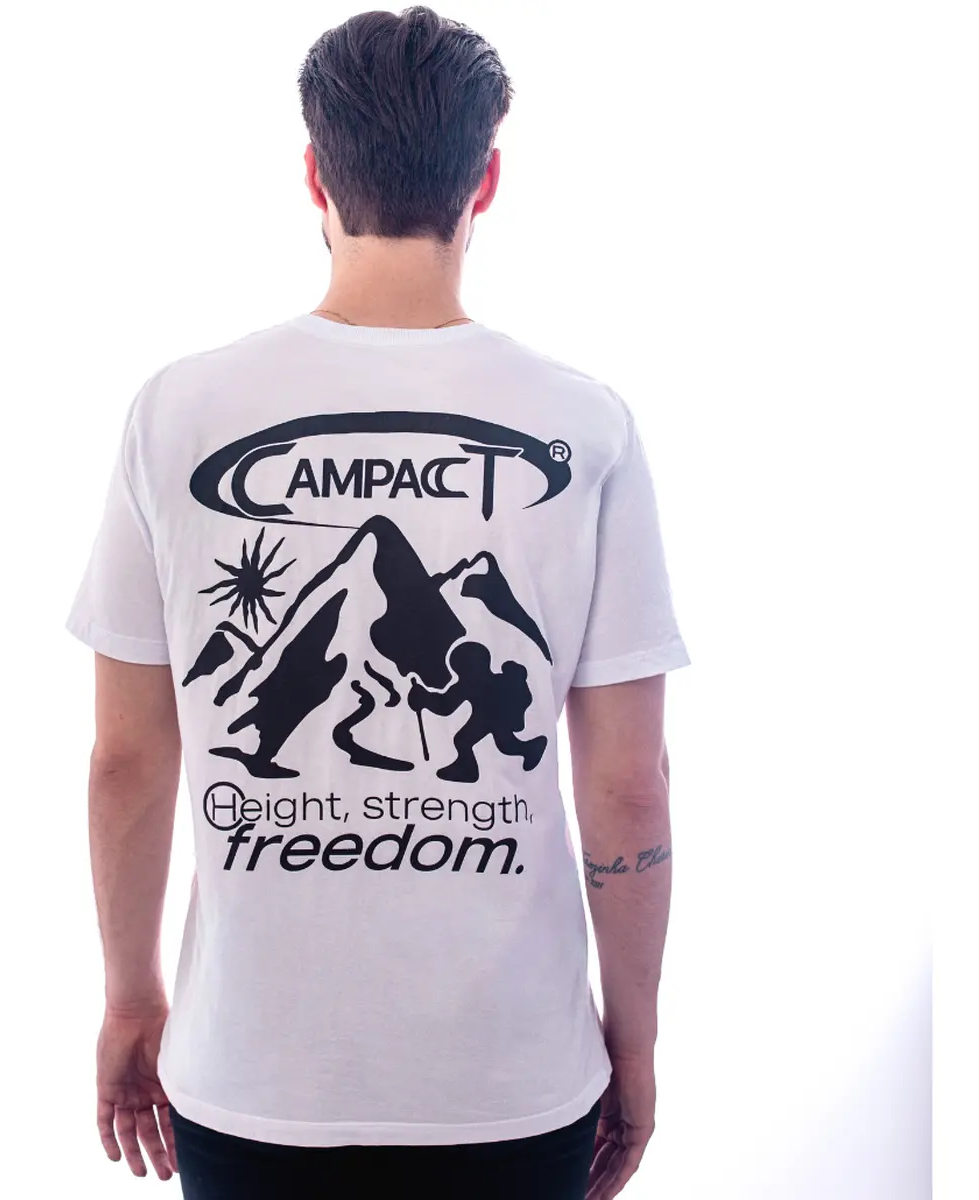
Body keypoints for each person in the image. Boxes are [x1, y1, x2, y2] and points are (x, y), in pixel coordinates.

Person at [65, 6, 689, 1198]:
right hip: (513, 1084)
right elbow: (628, 782)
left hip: (250, 1078)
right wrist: (636, 1039)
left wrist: (132, 998)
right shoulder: (584, 425)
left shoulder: (178, 412)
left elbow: (127, 760)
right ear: (485, 180)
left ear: (314, 173)